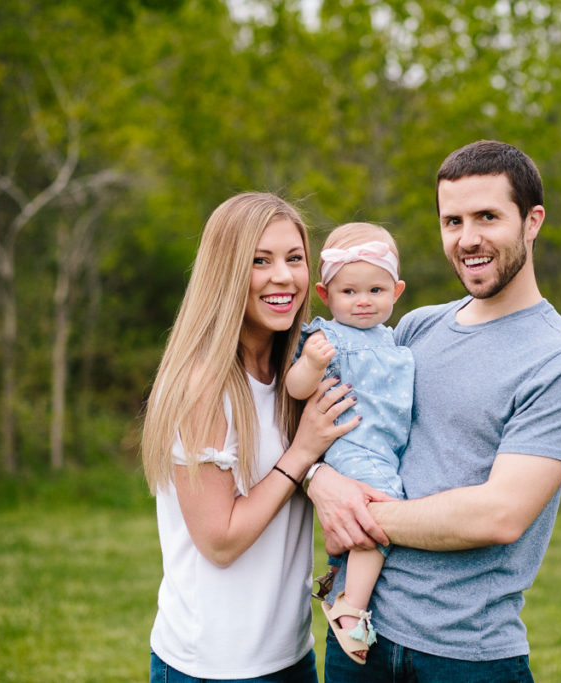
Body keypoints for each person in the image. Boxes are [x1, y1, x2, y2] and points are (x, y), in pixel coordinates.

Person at [307, 141, 561, 682]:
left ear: (532, 221)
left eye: (487, 216)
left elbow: (498, 515)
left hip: (465, 656)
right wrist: (319, 480)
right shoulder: (416, 328)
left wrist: (357, 514)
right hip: (359, 638)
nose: (467, 239)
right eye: (453, 221)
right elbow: (339, 425)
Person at [141, 192, 363, 682]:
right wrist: (302, 452)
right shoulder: (205, 384)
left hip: (292, 655)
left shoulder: (299, 371)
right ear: (225, 272)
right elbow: (219, 541)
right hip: (215, 666)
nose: (283, 276)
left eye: (294, 258)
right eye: (259, 261)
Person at [285, 222, 413, 665]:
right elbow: (296, 388)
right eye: (349, 291)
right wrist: (311, 363)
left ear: (396, 291)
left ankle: (335, 582)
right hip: (351, 442)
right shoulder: (327, 338)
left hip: (385, 449)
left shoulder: (393, 339)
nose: (363, 301)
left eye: (376, 290)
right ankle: (350, 610)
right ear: (326, 294)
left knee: (364, 513)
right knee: (379, 509)